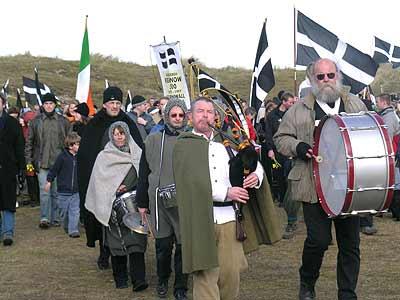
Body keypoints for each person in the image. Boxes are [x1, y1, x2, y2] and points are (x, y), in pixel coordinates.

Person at [274, 58, 366, 300]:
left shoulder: (355, 104)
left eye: (330, 75)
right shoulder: (299, 108)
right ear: (313, 80)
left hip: (349, 186)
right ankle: (307, 282)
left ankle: (347, 293)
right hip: (312, 185)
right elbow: (280, 139)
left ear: (338, 76)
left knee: (350, 244)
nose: (326, 80)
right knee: (318, 240)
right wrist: (299, 146)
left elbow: (370, 133)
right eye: (320, 76)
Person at [173, 97, 281, 300]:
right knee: (205, 274)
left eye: (209, 112)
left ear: (215, 116)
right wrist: (225, 192)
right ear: (190, 117)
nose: (205, 115)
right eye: (200, 111)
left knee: (230, 274)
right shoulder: (183, 146)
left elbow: (253, 160)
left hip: (229, 217)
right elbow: (189, 182)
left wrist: (256, 175)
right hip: (200, 218)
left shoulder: (229, 140)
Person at [77, 86, 143, 270]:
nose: (114, 106)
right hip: (101, 179)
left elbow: (138, 152)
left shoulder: (127, 123)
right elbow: (86, 155)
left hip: (125, 182)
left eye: (117, 103)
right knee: (101, 216)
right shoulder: (94, 124)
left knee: (125, 218)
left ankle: (129, 251)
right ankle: (104, 251)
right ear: (104, 104)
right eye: (111, 103)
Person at [85, 121, 148, 292]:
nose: (119, 136)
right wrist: (112, 189)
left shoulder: (138, 153)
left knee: (136, 241)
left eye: (122, 133)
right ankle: (120, 278)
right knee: (116, 243)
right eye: (116, 133)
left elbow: (143, 175)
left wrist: (128, 185)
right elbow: (98, 182)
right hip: (111, 205)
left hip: (133, 204)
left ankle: (139, 279)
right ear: (111, 136)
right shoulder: (104, 156)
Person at [136, 99, 189, 300]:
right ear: (166, 116)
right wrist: (142, 203)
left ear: (185, 116)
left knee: (184, 246)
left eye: (180, 115)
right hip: (158, 201)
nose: (177, 119)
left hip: (184, 201)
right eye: (173, 115)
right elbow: (144, 172)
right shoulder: (153, 139)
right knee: (163, 246)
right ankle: (163, 279)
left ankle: (181, 286)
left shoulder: (192, 139)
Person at [25, 93, 71, 228]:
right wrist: (29, 162)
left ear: (55, 105)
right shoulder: (35, 121)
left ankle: (56, 218)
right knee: (44, 192)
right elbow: (29, 143)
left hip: (59, 163)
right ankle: (44, 218)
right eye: (46, 104)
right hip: (42, 163)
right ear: (42, 105)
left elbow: (70, 141)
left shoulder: (64, 121)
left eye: (51, 103)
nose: (49, 106)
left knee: (57, 192)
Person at [264, 92, 298, 239]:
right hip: (277, 153)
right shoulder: (271, 117)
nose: (292, 104)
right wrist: (270, 149)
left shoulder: (294, 115)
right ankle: (285, 204)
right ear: (283, 102)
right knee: (280, 178)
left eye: (292, 102)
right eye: (290, 102)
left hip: (291, 153)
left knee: (291, 180)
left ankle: (292, 214)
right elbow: (268, 134)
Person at [0, 92, 25, 246]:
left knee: (8, 200)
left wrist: (21, 167)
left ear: (3, 104)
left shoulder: (12, 123)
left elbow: (19, 146)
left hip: (8, 168)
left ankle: (8, 232)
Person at [45, 132, 81, 238]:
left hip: (76, 191)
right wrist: (48, 181)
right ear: (70, 145)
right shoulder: (62, 157)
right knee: (64, 212)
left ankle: (73, 230)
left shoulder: (80, 157)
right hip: (63, 191)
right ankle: (67, 226)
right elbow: (54, 170)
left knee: (75, 211)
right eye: (77, 144)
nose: (79, 146)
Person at [375, 94, 400, 221]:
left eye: (377, 102)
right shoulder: (387, 115)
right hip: (393, 152)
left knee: (395, 183)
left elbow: (387, 138)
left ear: (384, 103)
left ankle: (397, 211)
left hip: (392, 153)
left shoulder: (389, 117)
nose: (376, 104)